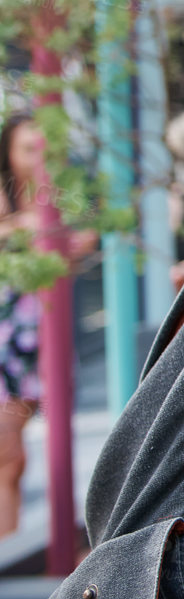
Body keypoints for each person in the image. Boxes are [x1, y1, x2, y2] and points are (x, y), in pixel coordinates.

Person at [0, 114, 97, 538]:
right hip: (6, 339)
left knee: (24, 453)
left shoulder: (60, 198)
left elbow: (85, 241)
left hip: (45, 337)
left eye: (42, 149)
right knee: (8, 452)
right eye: (26, 149)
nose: (35, 159)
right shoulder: (6, 199)